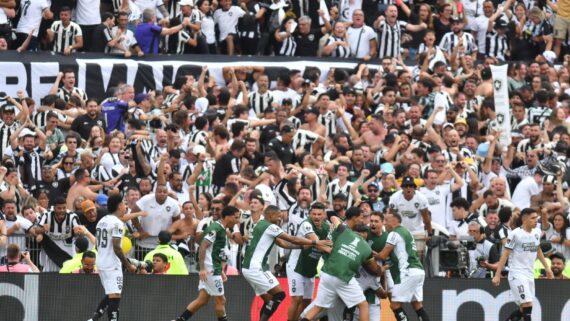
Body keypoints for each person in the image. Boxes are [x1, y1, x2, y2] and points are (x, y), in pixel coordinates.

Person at [242, 205, 330, 321]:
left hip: (250, 267)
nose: (280, 219)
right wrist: (314, 242)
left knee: (270, 300)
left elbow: (282, 244)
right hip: (256, 268)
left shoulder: (261, 224)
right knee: (280, 295)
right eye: (278, 216)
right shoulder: (270, 227)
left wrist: (302, 247)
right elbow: (290, 238)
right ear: (271, 215)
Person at [300, 207, 385, 321]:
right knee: (363, 305)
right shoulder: (366, 248)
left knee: (317, 307)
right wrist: (382, 270)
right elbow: (375, 269)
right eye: (361, 217)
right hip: (342, 276)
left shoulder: (343, 231)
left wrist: (337, 223)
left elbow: (333, 216)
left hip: (326, 273)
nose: (363, 220)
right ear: (354, 218)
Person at [172, 206, 240, 321]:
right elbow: (203, 246)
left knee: (202, 300)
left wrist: (221, 270)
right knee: (221, 300)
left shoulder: (222, 229)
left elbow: (215, 251)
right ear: (228, 217)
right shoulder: (216, 228)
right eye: (236, 217)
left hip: (213, 268)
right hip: (210, 270)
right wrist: (203, 268)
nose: (238, 220)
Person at [492, 208, 554, 321]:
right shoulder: (515, 234)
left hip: (529, 274)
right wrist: (497, 274)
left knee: (523, 309)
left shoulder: (537, 232)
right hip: (517, 273)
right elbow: (505, 254)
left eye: (537, 218)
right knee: (527, 305)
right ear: (524, 219)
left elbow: (537, 248)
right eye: (533, 218)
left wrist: (547, 267)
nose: (536, 220)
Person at [88, 195, 137, 321]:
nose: (125, 206)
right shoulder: (117, 223)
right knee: (115, 296)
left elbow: (98, 245)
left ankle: (94, 319)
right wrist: (128, 265)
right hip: (112, 264)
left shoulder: (102, 220)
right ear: (119, 206)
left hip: (101, 262)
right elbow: (116, 247)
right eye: (124, 204)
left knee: (111, 294)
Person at [375, 212, 431, 321]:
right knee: (417, 305)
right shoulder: (407, 232)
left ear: (395, 221)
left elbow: (383, 256)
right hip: (418, 270)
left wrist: (370, 253)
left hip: (407, 272)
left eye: (387, 220)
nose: (385, 224)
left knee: (394, 305)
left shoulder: (394, 234)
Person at [286, 202, 330, 321]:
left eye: (319, 214)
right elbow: (315, 241)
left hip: (310, 269)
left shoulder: (327, 227)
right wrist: (331, 249)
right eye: (314, 214)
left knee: (306, 302)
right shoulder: (306, 224)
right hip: (296, 267)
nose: (316, 217)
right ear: (310, 214)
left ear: (324, 215)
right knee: (297, 299)